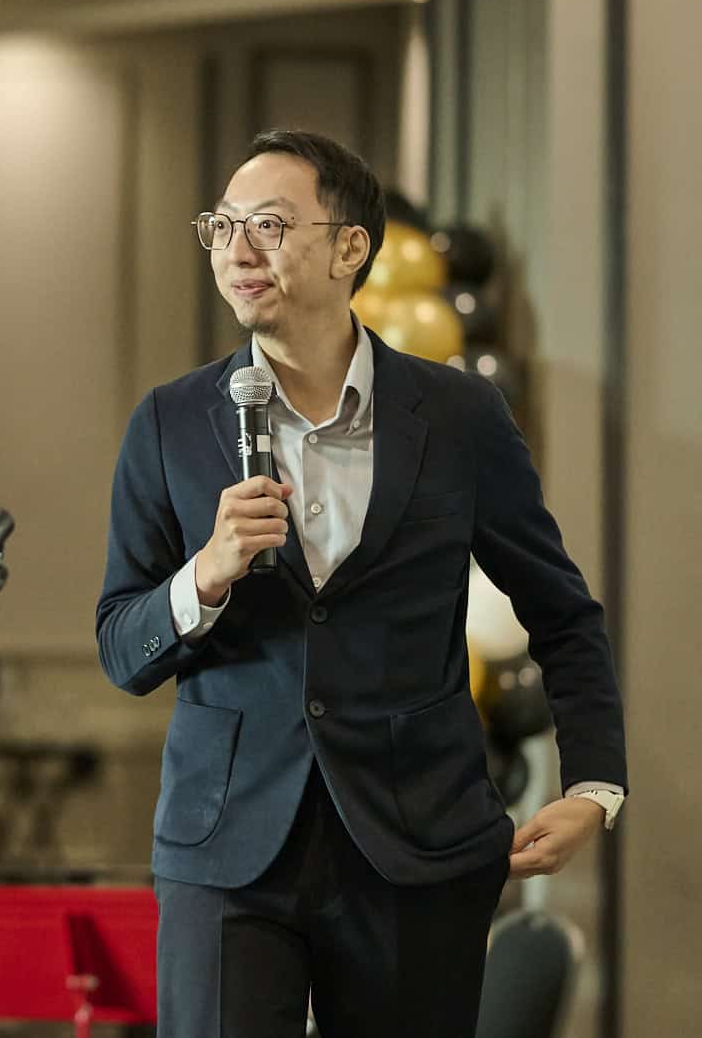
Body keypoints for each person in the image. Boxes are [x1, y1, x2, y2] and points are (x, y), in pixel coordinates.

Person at [95, 129, 627, 1037]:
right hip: (226, 849)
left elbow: (562, 614)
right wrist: (205, 576)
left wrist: (595, 787)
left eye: (267, 223)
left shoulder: (458, 415)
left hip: (419, 845)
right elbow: (121, 645)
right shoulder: (169, 422)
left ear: (351, 247)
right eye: (221, 226)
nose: (236, 248)